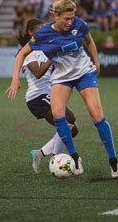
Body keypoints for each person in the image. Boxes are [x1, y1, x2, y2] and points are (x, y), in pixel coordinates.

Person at [6, 0, 118, 179]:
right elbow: (21, 55)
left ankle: (113, 161)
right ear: (56, 17)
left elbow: (90, 41)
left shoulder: (79, 24)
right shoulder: (43, 35)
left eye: (72, 17)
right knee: (60, 115)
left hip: (84, 72)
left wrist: (96, 60)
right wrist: (15, 79)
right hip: (61, 76)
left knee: (96, 115)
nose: (70, 22)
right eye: (66, 19)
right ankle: (75, 159)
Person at [16, 18, 79, 174]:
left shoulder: (46, 47)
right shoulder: (28, 50)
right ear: (31, 32)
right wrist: (52, 57)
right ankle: (56, 159)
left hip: (50, 93)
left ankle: (40, 153)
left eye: (45, 27)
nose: (44, 30)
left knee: (72, 129)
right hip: (37, 97)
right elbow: (37, 73)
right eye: (40, 28)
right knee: (69, 119)